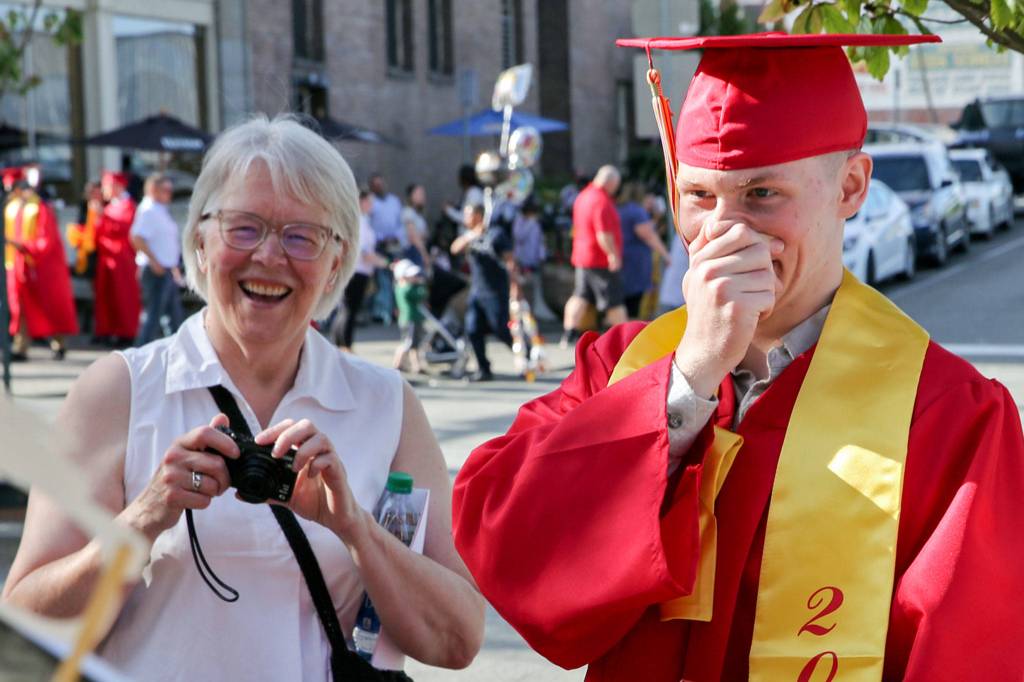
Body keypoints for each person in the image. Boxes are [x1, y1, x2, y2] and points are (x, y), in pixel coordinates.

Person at [451, 33, 1024, 681]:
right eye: (699, 197)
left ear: (852, 187)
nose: (723, 235)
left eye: (761, 196)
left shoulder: (950, 414)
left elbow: (973, 653)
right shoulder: (621, 365)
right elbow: (504, 545)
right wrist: (688, 380)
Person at [2, 115, 485, 680]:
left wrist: (355, 527)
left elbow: (458, 640)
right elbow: (25, 622)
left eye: (301, 235)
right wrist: (145, 517)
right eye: (244, 228)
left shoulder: (387, 404)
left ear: (336, 263)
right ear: (201, 240)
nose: (269, 256)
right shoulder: (119, 391)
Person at [3, 175, 79, 361]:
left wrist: (23, 246)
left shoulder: (41, 209)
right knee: (20, 306)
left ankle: (58, 344)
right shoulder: (12, 209)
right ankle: (21, 346)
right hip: (19, 265)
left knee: (49, 306)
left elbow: (46, 239)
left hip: (42, 266)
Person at [561, 165, 627, 348]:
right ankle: (627, 338)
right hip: (599, 259)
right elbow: (603, 233)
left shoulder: (582, 196)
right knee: (613, 300)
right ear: (611, 182)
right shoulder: (601, 200)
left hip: (582, 256)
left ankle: (568, 334)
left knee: (580, 296)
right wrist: (613, 255)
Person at [450, 203, 515, 382]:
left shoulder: (496, 234)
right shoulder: (470, 236)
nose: (465, 218)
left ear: (478, 215)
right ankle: (484, 368)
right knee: (472, 329)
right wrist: (472, 234)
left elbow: (510, 260)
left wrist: (515, 286)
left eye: (468, 214)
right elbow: (454, 248)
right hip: (477, 291)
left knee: (501, 329)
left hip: (495, 290)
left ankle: (528, 356)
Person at [131, 173, 185, 345]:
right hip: (156, 270)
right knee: (154, 316)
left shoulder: (158, 209)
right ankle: (140, 354)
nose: (170, 193)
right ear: (153, 189)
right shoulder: (148, 210)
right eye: (166, 189)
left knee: (173, 317)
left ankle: (179, 354)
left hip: (166, 268)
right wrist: (154, 261)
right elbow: (136, 237)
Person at [334, 190, 386, 352]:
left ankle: (342, 345)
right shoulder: (359, 222)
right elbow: (364, 252)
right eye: (369, 201)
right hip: (357, 271)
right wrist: (384, 263)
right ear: (361, 201)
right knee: (350, 309)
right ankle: (345, 346)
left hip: (359, 271)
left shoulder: (363, 220)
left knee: (347, 308)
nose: (371, 205)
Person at [94, 170, 141, 345]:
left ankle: (126, 332)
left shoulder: (129, 206)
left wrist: (103, 218)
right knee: (107, 296)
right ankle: (107, 330)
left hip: (123, 257)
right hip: (107, 256)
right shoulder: (108, 207)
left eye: (107, 186)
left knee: (123, 295)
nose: (104, 190)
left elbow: (125, 229)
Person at [618, 181, 671, 319]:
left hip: (623, 257)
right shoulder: (637, 211)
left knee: (624, 297)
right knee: (634, 299)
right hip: (636, 260)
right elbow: (649, 235)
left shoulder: (622, 209)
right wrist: (666, 255)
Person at [368, 173, 404, 324]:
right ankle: (382, 313)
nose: (379, 187)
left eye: (380, 184)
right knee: (382, 282)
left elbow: (400, 223)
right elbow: (368, 225)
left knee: (397, 279)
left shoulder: (394, 201)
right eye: (376, 185)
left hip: (394, 246)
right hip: (378, 247)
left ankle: (396, 311)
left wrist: (396, 236)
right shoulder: (371, 203)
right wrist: (381, 238)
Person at [391, 259, 427, 375]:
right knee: (408, 343)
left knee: (414, 344)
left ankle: (416, 365)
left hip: (409, 319)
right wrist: (422, 285)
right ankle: (397, 364)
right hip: (410, 319)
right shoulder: (407, 289)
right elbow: (422, 294)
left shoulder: (401, 288)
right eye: (412, 276)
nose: (416, 278)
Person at [401, 184, 431, 268]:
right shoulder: (408, 212)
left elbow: (425, 235)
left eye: (423, 194)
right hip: (413, 253)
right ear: (411, 196)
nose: (422, 197)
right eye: (419, 194)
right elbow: (413, 237)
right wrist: (424, 255)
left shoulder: (418, 215)